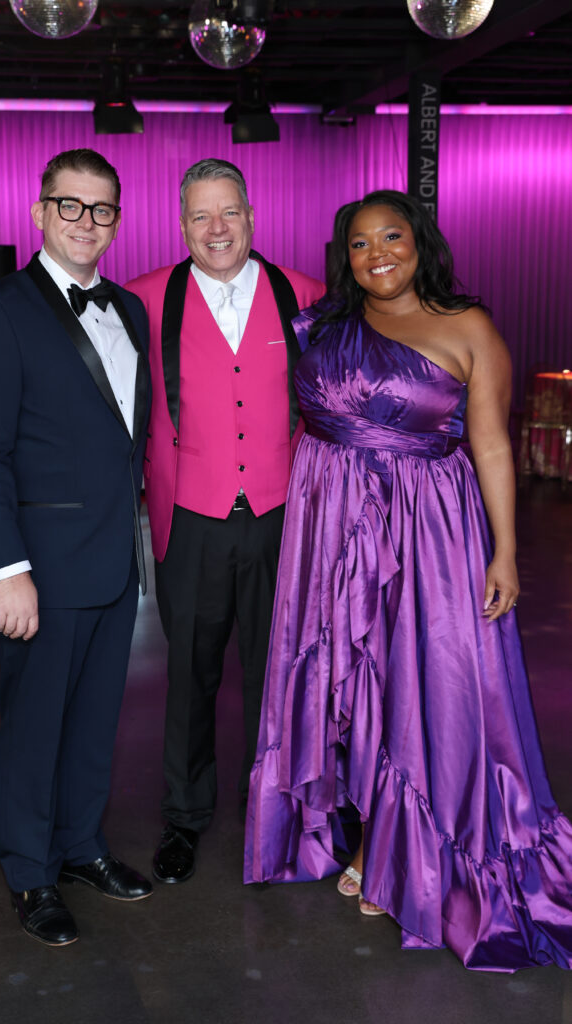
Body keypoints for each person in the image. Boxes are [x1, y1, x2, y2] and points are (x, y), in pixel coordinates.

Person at [244, 189, 572, 971]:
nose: (376, 253)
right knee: (348, 680)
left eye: (391, 236)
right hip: (329, 522)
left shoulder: (468, 328)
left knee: (427, 684)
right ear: (344, 256)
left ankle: (416, 855)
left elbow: (490, 445)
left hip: (428, 528)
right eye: (358, 243)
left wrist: (505, 551)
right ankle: (363, 839)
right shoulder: (325, 321)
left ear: (420, 242)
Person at [0, 148, 153, 947]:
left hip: (111, 561)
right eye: (71, 206)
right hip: (38, 564)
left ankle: (81, 848)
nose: (86, 223)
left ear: (116, 220)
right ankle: (29, 872)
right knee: (35, 727)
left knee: (95, 722)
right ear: (40, 212)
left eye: (102, 209)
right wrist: (7, 570)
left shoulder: (129, 311)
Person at [126, 158, 324, 884]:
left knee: (282, 674)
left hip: (281, 516)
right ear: (182, 225)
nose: (216, 229)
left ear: (251, 213)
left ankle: (281, 809)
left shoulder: (303, 294)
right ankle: (184, 816)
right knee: (189, 676)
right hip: (192, 515)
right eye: (201, 216)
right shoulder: (145, 298)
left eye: (229, 212)